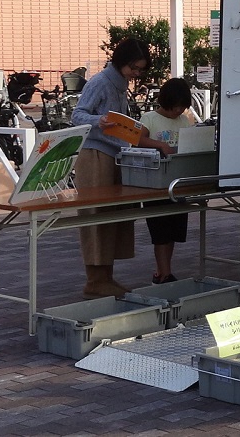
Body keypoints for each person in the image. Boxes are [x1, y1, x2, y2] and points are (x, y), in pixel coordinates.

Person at [71, 38, 151, 299]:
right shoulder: (100, 81)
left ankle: (105, 277)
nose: (136, 73)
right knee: (96, 216)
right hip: (95, 154)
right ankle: (95, 279)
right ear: (121, 61)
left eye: (140, 69)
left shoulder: (119, 83)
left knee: (111, 217)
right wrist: (100, 120)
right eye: (134, 68)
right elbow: (77, 115)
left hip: (113, 153)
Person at [137, 77, 196, 284]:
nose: (178, 111)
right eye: (175, 107)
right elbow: (137, 138)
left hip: (177, 183)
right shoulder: (150, 118)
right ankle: (162, 272)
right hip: (156, 183)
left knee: (173, 232)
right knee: (160, 232)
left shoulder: (184, 120)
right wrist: (159, 145)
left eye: (182, 107)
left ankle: (166, 270)